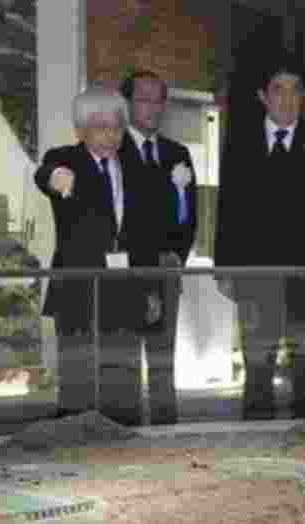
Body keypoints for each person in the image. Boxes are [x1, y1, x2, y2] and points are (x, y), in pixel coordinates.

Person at [214, 54, 305, 419]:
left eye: (295, 91)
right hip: (256, 274)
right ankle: (257, 448)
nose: (287, 99)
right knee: (258, 368)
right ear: (263, 96)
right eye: (278, 90)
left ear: (303, 96)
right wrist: (223, 268)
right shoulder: (239, 143)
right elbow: (227, 210)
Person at [35, 86, 148, 423]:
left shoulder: (133, 166)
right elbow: (45, 173)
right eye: (100, 127)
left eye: (116, 126)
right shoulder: (65, 159)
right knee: (78, 380)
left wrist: (148, 289)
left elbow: (141, 232)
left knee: (123, 381)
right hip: (77, 290)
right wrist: (55, 177)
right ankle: (74, 449)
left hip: (124, 288)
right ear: (81, 130)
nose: (110, 135)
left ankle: (125, 441)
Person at [117, 70, 197, 425]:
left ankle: (166, 430)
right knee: (126, 362)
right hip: (127, 274)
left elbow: (190, 216)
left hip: (166, 272)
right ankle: (127, 433)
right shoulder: (112, 151)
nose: (151, 107)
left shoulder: (177, 154)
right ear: (127, 104)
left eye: (157, 100)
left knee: (164, 359)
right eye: (143, 99)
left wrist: (177, 256)